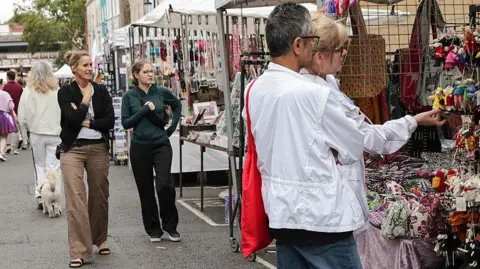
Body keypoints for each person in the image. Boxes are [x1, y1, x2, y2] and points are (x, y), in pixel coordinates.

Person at [243, 4, 446, 269]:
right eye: (310, 41)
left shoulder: (255, 88)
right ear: (298, 45)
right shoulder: (314, 95)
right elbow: (353, 145)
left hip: (282, 214)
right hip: (321, 217)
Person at [57, 50, 114, 268]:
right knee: (76, 200)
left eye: (91, 64)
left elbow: (109, 120)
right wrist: (85, 101)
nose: (90, 68)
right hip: (73, 149)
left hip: (98, 148)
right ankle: (79, 250)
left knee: (99, 196)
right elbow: (71, 120)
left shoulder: (101, 90)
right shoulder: (65, 92)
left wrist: (89, 122)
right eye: (85, 65)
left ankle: (99, 239)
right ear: (74, 69)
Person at [121, 60, 182, 243]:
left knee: (165, 185)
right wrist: (144, 110)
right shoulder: (129, 96)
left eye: (151, 71)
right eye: (146, 71)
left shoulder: (160, 92)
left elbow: (177, 105)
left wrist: (171, 129)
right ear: (136, 75)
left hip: (161, 144)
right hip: (140, 146)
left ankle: (170, 226)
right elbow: (126, 123)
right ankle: (153, 229)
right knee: (145, 189)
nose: (150, 74)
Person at [17, 61, 62, 209]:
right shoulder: (56, 90)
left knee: (39, 166)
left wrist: (24, 126)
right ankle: (55, 195)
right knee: (53, 166)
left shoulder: (28, 91)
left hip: (36, 133)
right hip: (55, 132)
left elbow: (21, 116)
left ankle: (41, 195)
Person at [3, 70, 24, 154]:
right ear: (14, 77)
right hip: (17, 110)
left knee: (6, 129)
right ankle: (15, 148)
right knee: (16, 129)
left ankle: (7, 145)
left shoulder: (5, 87)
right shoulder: (19, 87)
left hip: (7, 111)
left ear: (7, 77)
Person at [0, 88, 17, 161]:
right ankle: (1, 152)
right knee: (3, 136)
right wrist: (14, 116)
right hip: (4, 116)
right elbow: (11, 106)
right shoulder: (5, 94)